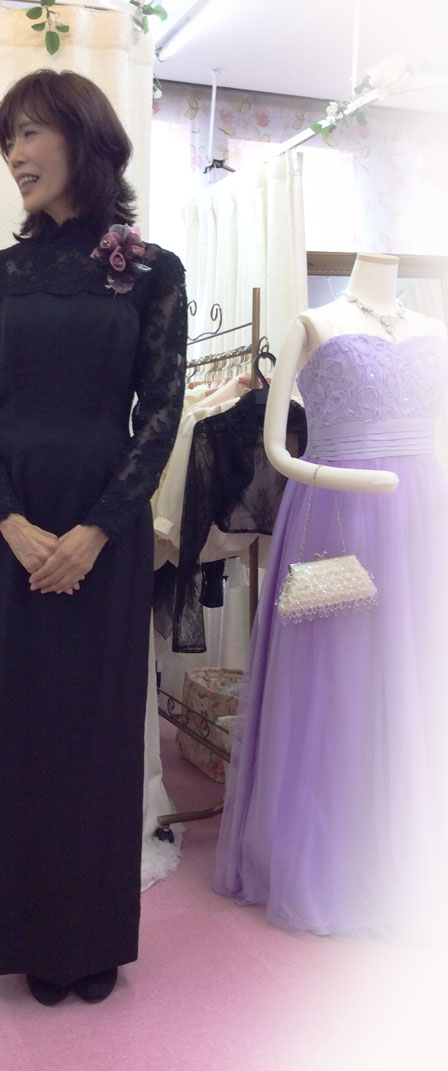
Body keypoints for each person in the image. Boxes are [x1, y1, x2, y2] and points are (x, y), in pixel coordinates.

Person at [0, 69, 187, 1004]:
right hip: (10, 531)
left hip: (107, 535)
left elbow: (159, 415)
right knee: (18, 732)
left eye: (29, 133)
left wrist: (93, 532)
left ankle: (91, 941)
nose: (13, 154)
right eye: (6, 138)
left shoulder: (152, 271)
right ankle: (27, 941)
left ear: (82, 138)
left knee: (96, 736)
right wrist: (10, 521)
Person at [213, 253, 448, 938]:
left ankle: (409, 846)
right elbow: (277, 451)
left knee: (417, 668)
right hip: (333, 517)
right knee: (330, 679)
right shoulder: (313, 323)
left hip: (422, 517)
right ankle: (325, 854)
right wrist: (344, 478)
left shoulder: (435, 329)